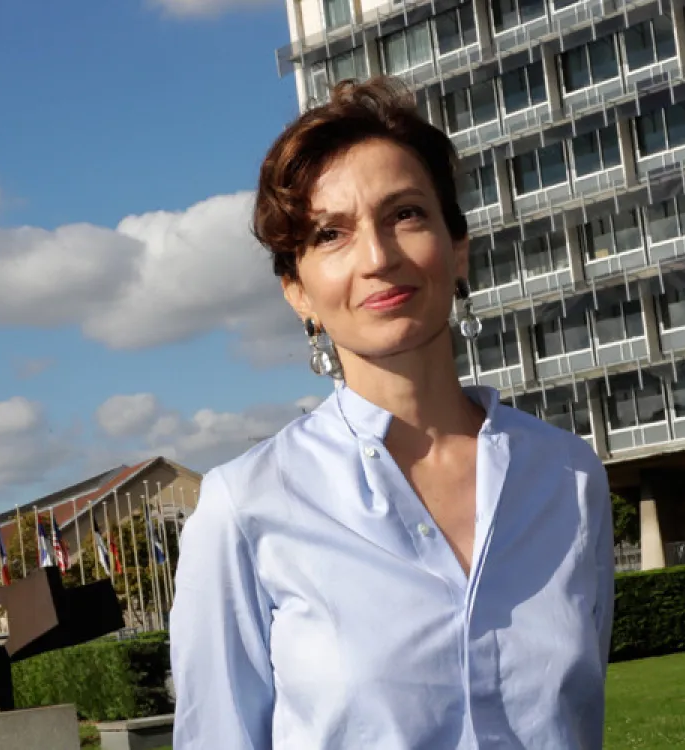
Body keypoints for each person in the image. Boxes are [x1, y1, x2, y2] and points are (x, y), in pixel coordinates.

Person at [169, 76, 615, 750]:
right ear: (298, 291)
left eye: (405, 214)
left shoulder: (568, 477)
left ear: (456, 247)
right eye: (331, 235)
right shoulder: (245, 507)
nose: (378, 258)